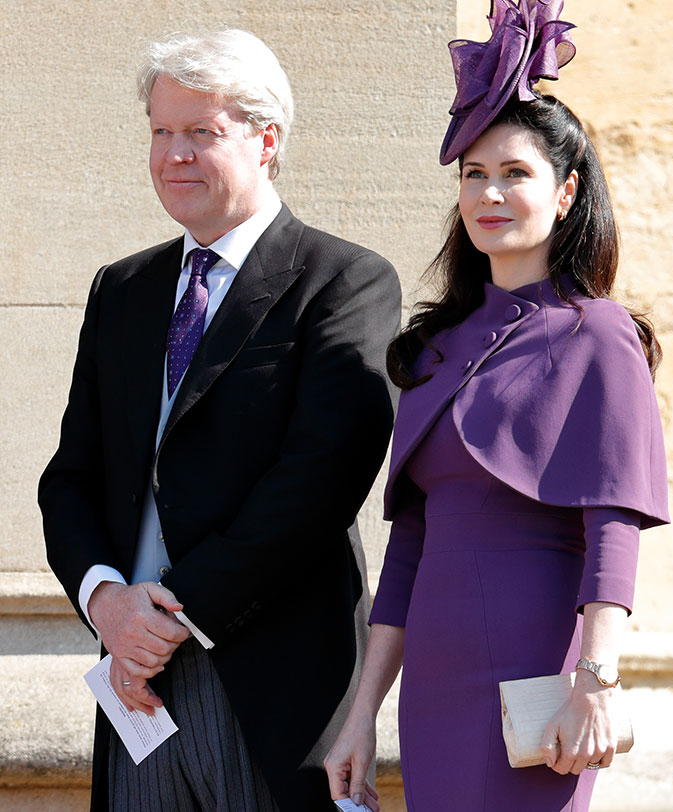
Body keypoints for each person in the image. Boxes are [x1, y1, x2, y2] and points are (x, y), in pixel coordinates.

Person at [39, 28, 401, 812]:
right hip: (135, 686)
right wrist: (106, 603)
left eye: (201, 132)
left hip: (271, 686)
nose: (175, 155)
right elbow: (70, 479)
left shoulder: (344, 281)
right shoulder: (122, 290)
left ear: (266, 139)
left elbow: (320, 479)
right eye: (161, 132)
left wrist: (171, 612)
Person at [324, 2, 669, 810]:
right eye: (473, 174)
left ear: (565, 192)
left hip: (538, 678)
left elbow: (613, 525)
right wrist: (361, 712)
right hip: (434, 685)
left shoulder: (599, 335)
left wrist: (596, 677)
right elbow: (408, 545)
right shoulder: (436, 348)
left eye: (515, 173)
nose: (489, 193)